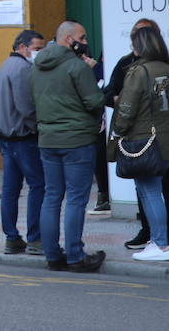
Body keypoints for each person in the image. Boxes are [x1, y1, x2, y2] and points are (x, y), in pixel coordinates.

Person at [31, 20, 106, 273]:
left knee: (52, 196)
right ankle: (75, 256)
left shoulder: (37, 66)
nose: (85, 43)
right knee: (76, 198)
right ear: (67, 39)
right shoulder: (77, 66)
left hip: (48, 140)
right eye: (82, 38)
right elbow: (95, 101)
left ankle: (53, 255)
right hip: (77, 140)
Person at [105, 18, 168, 250]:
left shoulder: (139, 71)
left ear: (139, 46)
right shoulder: (165, 68)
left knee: (149, 192)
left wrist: (118, 132)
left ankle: (160, 243)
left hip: (145, 141)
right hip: (165, 139)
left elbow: (126, 109)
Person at [0, 29, 46, 255]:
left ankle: (12, 237)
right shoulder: (23, 69)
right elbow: (26, 108)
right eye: (37, 49)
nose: (40, 53)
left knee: (10, 189)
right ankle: (35, 238)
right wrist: (41, 126)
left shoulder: (5, 65)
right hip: (22, 138)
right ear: (22, 47)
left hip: (4, 136)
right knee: (38, 185)